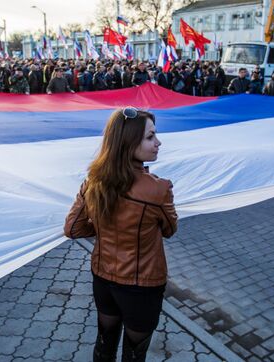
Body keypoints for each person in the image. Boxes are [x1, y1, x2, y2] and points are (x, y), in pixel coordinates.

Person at [64, 107, 177, 361]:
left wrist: (104, 225)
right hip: (142, 286)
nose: (158, 143)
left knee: (104, 343)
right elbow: (169, 229)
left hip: (103, 279)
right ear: (128, 142)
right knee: (135, 354)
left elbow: (72, 228)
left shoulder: (93, 180)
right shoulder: (159, 190)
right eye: (150, 137)